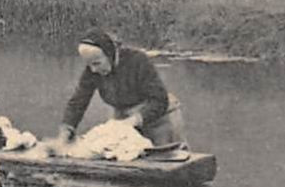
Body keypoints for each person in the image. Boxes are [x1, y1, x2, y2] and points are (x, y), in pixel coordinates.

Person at [50, 28, 184, 149]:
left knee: (163, 161)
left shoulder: (138, 61)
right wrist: (66, 131)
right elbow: (78, 102)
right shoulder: (92, 70)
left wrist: (132, 121)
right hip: (123, 116)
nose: (93, 69)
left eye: (97, 63)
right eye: (89, 65)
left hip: (158, 118)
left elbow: (159, 100)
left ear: (110, 55)